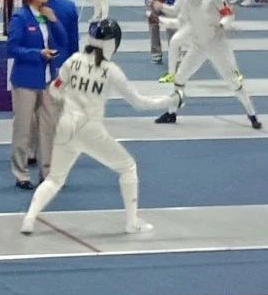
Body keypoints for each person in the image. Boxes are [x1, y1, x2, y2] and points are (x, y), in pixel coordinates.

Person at [20, 19, 175, 237]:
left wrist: (69, 96)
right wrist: (170, 101)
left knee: (54, 179)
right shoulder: (111, 71)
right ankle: (132, 223)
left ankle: (29, 218)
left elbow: (54, 90)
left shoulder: (73, 60)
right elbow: (139, 102)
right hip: (89, 128)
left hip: (65, 125)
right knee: (128, 167)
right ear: (113, 43)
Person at [153, 0, 261, 128]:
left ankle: (252, 115)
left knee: (233, 82)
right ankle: (171, 113)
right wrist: (160, 20)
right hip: (198, 46)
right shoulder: (188, 1)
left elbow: (229, 14)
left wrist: (222, 24)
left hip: (217, 45)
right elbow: (182, 23)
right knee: (179, 78)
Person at [8, 0, 66, 189]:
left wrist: (54, 20)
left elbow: (63, 41)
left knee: (48, 129)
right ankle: (21, 173)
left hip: (48, 80)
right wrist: (37, 53)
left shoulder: (47, 15)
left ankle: (47, 172)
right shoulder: (20, 17)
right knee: (23, 129)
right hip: (26, 80)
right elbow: (12, 49)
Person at [41, 0, 79, 72]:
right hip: (62, 63)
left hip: (37, 63)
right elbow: (73, 41)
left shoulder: (32, 7)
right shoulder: (69, 7)